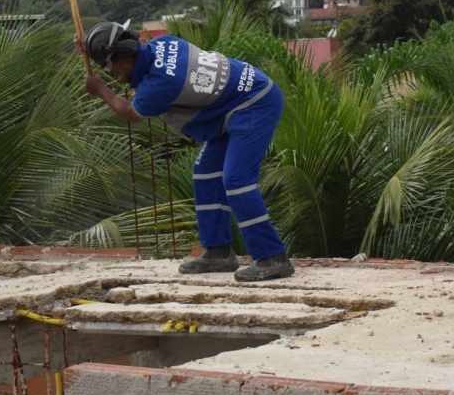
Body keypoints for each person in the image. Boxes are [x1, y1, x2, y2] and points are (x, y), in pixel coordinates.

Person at [80, 21, 294, 282]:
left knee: (236, 180)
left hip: (255, 103)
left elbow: (129, 113)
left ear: (122, 57)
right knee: (205, 174)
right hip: (229, 109)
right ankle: (218, 253)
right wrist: (89, 47)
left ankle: (273, 257)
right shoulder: (162, 44)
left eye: (108, 65)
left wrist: (100, 89)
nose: (111, 72)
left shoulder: (159, 85)